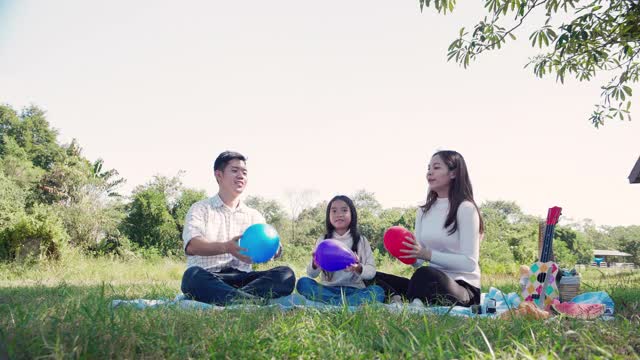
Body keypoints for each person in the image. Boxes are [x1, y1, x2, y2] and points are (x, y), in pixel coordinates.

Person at [180, 151, 295, 305]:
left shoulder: (254, 215)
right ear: (219, 175)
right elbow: (192, 246)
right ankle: (247, 300)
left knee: (286, 274)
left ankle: (236, 299)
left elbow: (272, 247)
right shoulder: (200, 208)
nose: (241, 176)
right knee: (192, 277)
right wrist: (227, 247)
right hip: (210, 276)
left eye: (244, 172)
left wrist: (275, 249)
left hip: (244, 279)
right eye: (234, 171)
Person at [371, 150, 484, 307]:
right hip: (428, 283)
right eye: (428, 168)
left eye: (436, 168)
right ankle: (402, 299)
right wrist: (401, 251)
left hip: (462, 289)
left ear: (453, 173)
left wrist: (428, 255)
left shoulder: (466, 208)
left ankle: (408, 302)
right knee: (371, 276)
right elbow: (418, 261)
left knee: (425, 275)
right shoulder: (423, 211)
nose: (429, 172)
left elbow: (469, 263)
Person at [296, 195, 384, 306]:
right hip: (327, 289)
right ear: (329, 216)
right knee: (303, 283)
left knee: (378, 291)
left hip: (354, 290)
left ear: (352, 214)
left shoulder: (361, 240)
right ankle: (345, 305)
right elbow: (311, 274)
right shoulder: (323, 240)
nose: (339, 214)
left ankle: (333, 304)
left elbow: (371, 272)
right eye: (334, 211)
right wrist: (315, 264)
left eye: (344, 210)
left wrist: (358, 268)